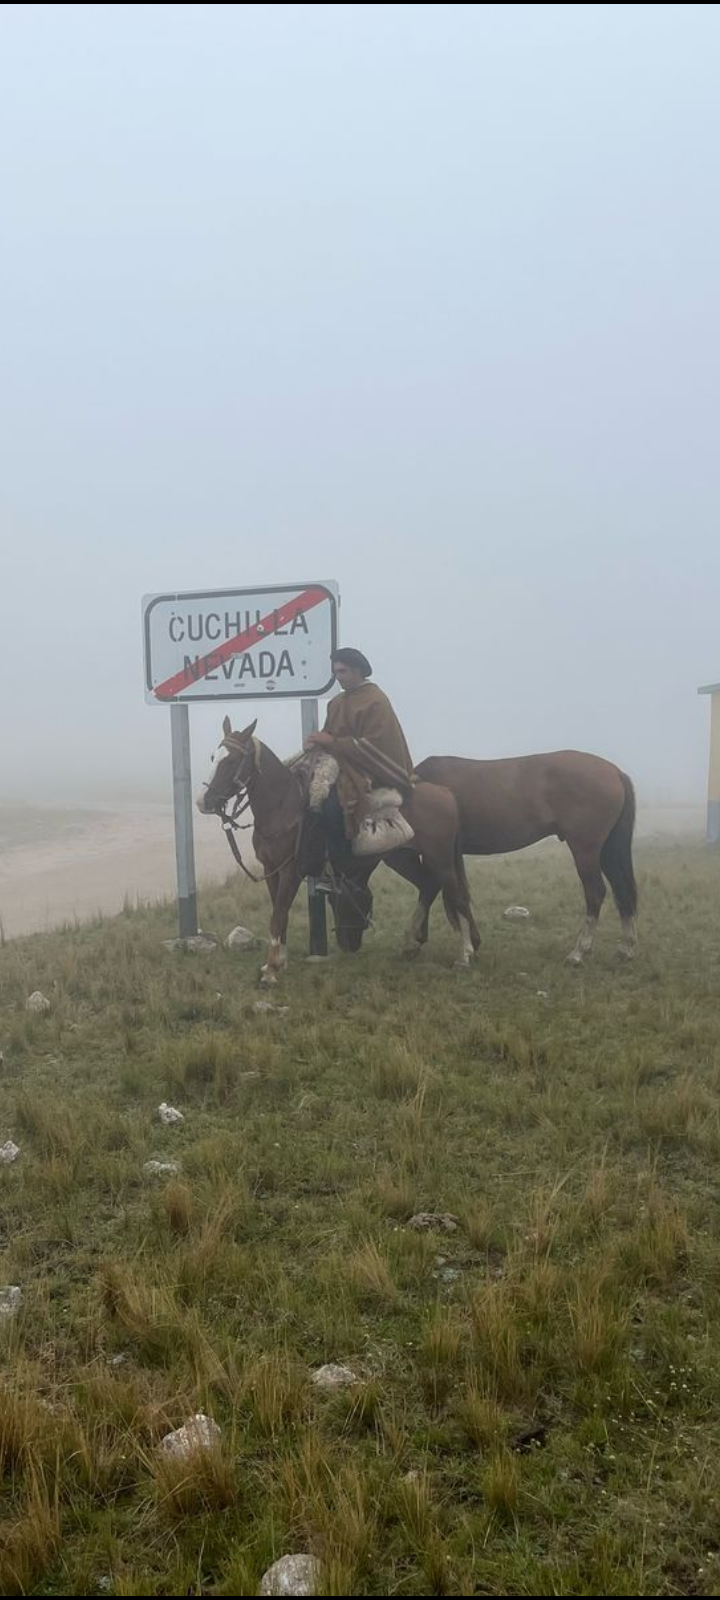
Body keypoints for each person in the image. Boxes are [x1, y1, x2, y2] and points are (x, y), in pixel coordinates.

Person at [304, 648, 414, 860]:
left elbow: (378, 744)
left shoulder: (376, 700)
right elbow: (329, 734)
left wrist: (332, 742)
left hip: (366, 769)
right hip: (339, 764)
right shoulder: (336, 703)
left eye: (342, 671)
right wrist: (315, 743)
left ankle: (344, 867)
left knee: (332, 808)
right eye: (335, 672)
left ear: (358, 670)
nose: (338, 677)